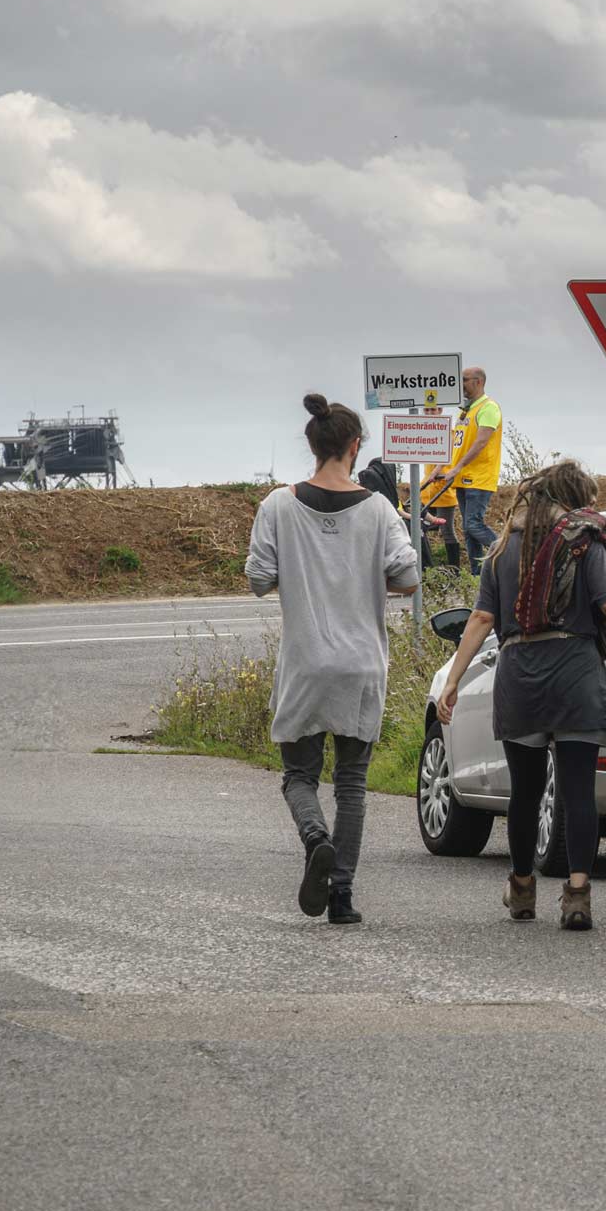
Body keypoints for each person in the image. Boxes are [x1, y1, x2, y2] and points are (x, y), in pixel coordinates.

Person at [245, 395, 420, 925]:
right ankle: (341, 897)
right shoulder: (380, 509)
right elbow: (408, 578)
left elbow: (258, 578)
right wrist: (367, 573)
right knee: (351, 784)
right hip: (362, 663)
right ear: (355, 446)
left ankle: (315, 837)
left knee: (299, 776)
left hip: (305, 663)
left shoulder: (278, 505)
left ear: (312, 444)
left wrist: (299, 571)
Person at [436, 460, 606, 930]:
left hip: (520, 675)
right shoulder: (585, 542)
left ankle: (522, 888)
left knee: (525, 791)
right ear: (575, 501)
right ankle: (577, 895)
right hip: (576, 675)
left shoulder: (502, 549)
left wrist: (453, 680)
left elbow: (481, 619)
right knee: (578, 790)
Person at [419, 366, 502, 566]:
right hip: (463, 478)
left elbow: (480, 442)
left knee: (473, 525)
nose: (460, 384)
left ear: (478, 382)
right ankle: (476, 574)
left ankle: (508, 551)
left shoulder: (488, 408)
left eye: (464, 380)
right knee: (468, 530)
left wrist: (457, 468)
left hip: (479, 477)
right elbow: (456, 446)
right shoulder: (466, 411)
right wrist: (438, 469)